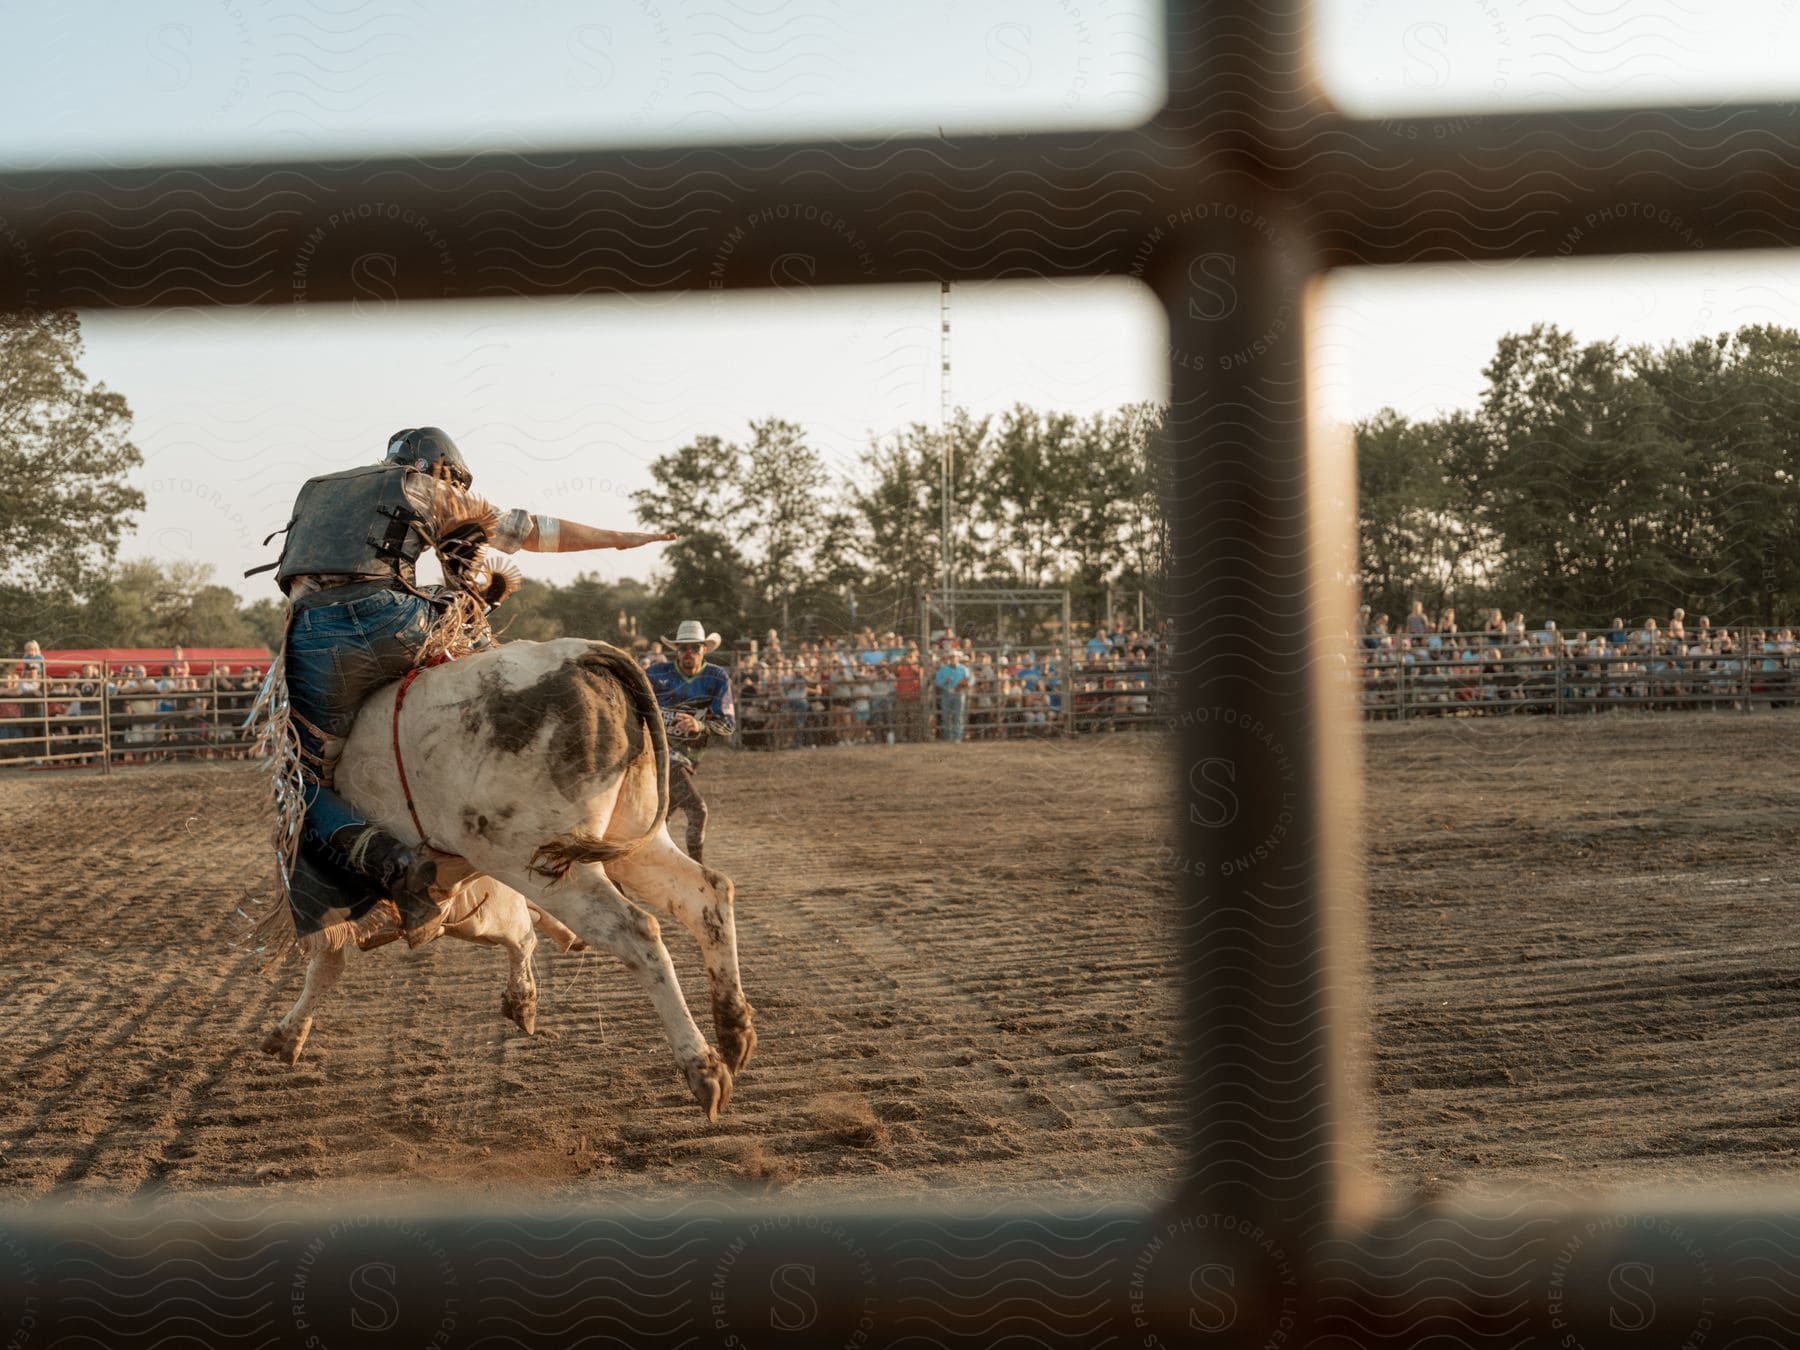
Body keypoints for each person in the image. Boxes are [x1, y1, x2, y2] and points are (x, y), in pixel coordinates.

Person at [253, 426, 674, 947]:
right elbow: (531, 530)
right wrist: (620, 538)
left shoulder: (316, 491)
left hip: (316, 635)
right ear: (439, 468)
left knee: (303, 777)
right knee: (471, 619)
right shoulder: (425, 485)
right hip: (396, 618)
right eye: (456, 478)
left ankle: (391, 862)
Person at [646, 620, 736, 863]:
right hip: (658, 753)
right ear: (676, 650)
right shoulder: (655, 674)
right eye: (683, 648)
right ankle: (698, 870)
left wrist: (701, 725)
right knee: (697, 809)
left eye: (694, 648)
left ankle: (649, 864)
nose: (689, 653)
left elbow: (728, 723)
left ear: (704, 649)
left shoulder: (716, 678)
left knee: (660, 818)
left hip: (689, 758)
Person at [934, 648, 971, 742]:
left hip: (959, 693)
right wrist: (945, 681)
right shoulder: (943, 669)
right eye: (951, 657)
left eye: (955, 657)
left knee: (958, 716)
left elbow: (970, 680)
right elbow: (937, 682)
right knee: (946, 716)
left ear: (958, 658)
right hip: (947, 693)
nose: (953, 658)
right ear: (949, 658)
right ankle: (948, 737)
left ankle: (957, 737)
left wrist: (964, 685)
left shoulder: (964, 669)